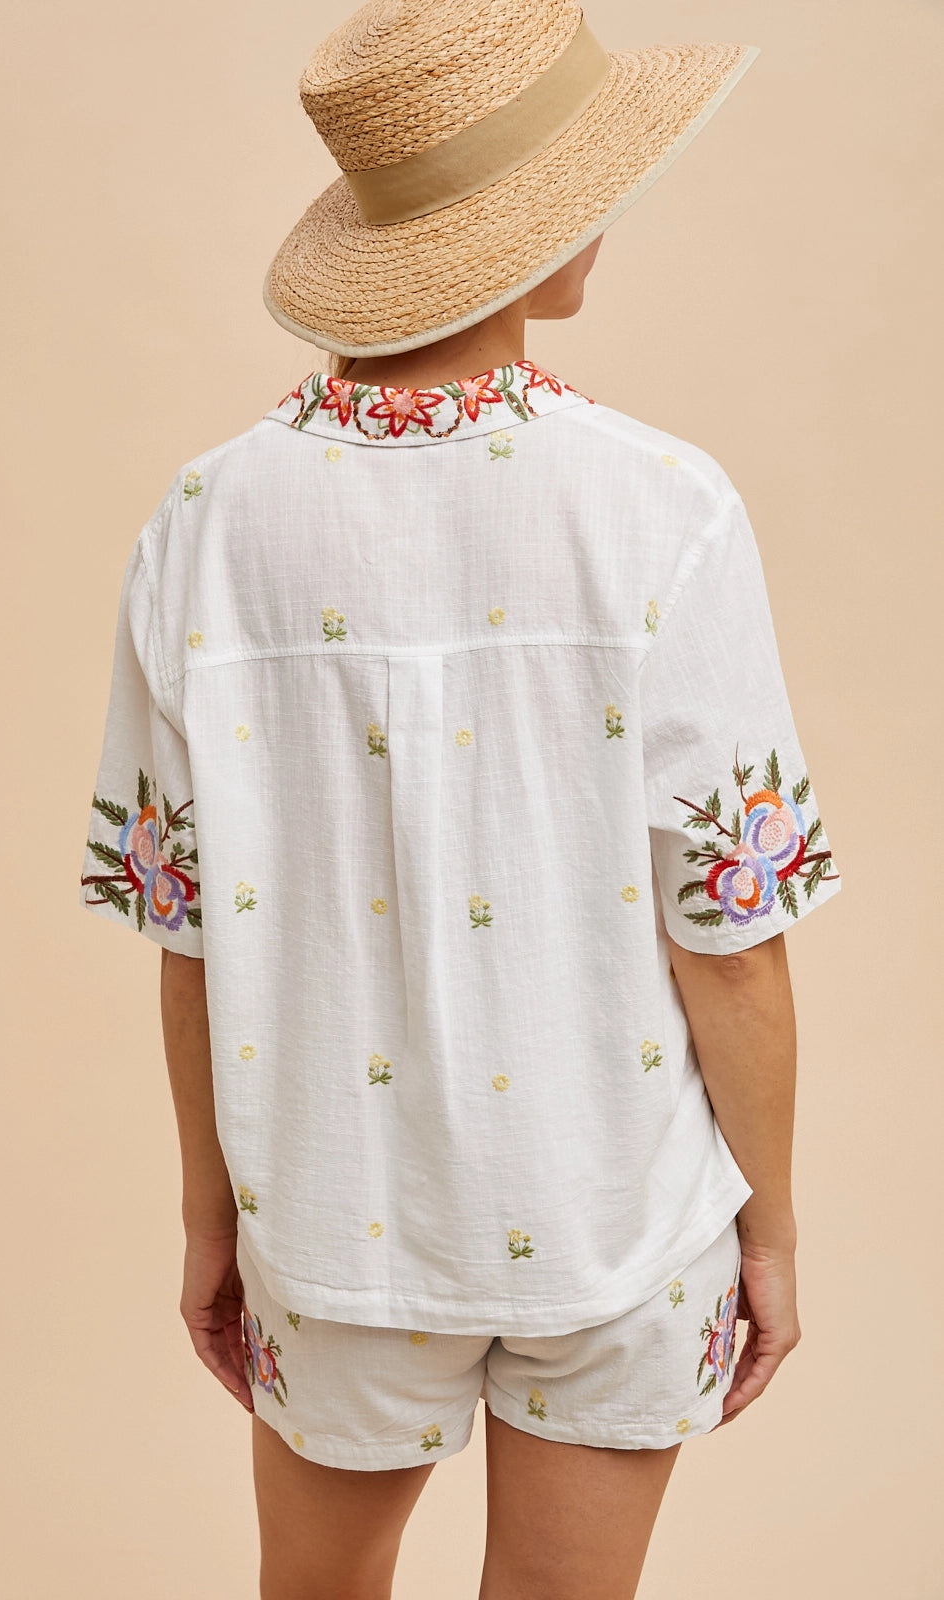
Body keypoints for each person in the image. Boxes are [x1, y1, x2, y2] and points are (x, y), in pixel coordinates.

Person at [78, 4, 842, 1596]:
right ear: (528, 229)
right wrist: (770, 1227)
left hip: (329, 1217)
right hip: (613, 1212)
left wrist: (211, 1216)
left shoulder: (207, 520)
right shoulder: (664, 508)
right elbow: (731, 937)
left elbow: (191, 934)